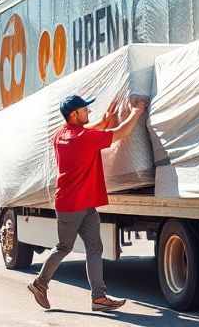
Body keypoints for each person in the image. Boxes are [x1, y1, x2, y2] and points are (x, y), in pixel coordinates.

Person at [28, 93, 147, 312]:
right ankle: (39, 284)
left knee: (95, 247)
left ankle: (98, 298)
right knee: (64, 247)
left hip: (80, 203)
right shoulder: (84, 138)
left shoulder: (61, 135)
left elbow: (87, 131)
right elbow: (121, 133)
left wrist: (102, 122)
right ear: (74, 114)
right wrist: (137, 110)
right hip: (73, 206)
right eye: (84, 110)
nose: (87, 112)